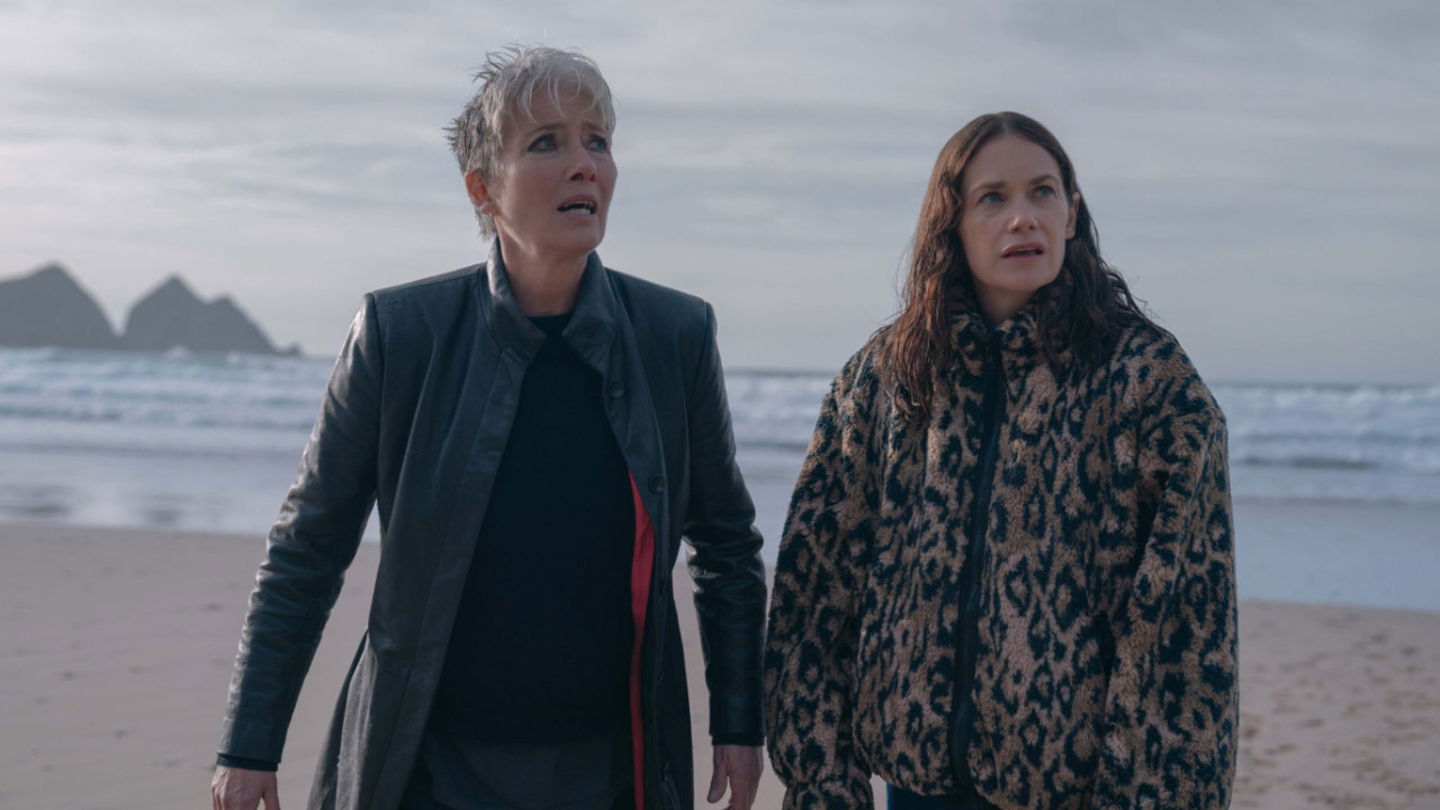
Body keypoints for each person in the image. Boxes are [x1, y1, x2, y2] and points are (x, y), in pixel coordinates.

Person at [210, 46, 766, 810]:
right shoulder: (400, 335)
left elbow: (727, 546)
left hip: (613, 769)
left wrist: (738, 723)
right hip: (430, 768)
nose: (584, 165)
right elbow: (308, 548)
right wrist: (248, 745)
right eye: (547, 143)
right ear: (483, 190)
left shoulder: (674, 336)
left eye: (598, 140)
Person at [763, 112, 1237, 809]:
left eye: (1042, 192)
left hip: (1074, 794)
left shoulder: (1148, 382)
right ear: (950, 222)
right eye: (993, 198)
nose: (1023, 218)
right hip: (913, 788)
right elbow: (815, 594)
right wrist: (823, 783)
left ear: (1072, 212)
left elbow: (1187, 631)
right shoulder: (886, 376)